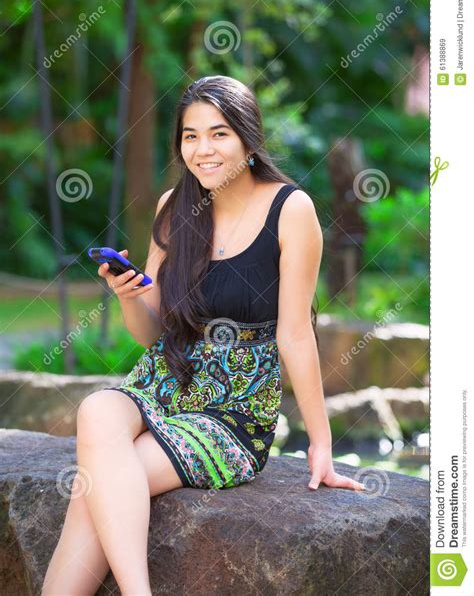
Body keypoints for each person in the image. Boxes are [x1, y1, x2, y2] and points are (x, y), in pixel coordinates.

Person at [42, 75, 365, 596]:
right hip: (165, 381)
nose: (203, 149)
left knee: (94, 489)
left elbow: (296, 334)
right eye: (190, 136)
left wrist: (321, 443)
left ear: (247, 137)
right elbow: (151, 330)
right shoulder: (175, 207)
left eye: (218, 134)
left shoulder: (291, 209)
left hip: (232, 410)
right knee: (96, 410)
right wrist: (128, 294)